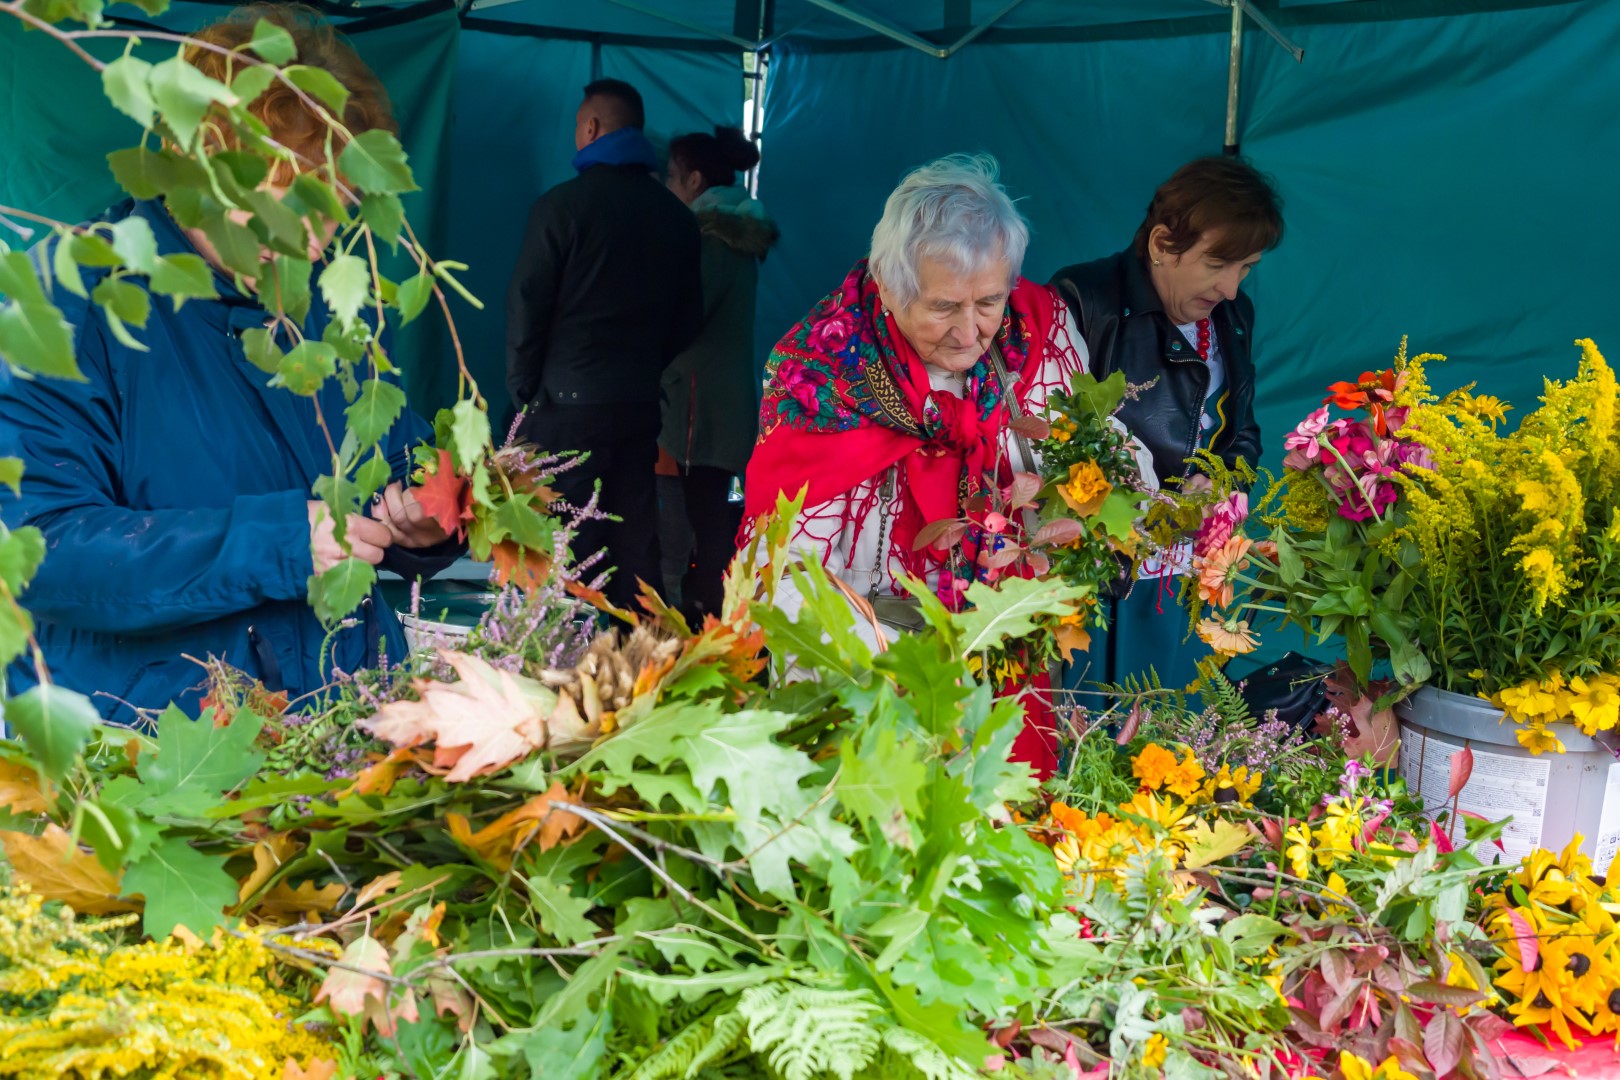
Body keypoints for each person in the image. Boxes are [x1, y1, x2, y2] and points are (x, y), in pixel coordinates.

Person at [0, 4, 459, 725]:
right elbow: (39, 551)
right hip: (160, 751)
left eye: (339, 205)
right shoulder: (68, 301)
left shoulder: (336, 309)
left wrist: (419, 525)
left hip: (344, 724)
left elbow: (381, 475)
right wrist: (277, 540)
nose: (321, 239)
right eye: (298, 204)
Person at [742, 154, 1093, 779]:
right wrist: (861, 670)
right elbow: (785, 558)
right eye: (943, 307)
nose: (969, 333)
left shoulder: (1038, 329)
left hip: (1002, 641)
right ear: (889, 281)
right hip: (868, 654)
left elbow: (1083, 465)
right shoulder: (819, 374)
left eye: (988, 301)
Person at [1048, 155, 1284, 689]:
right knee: (1092, 720)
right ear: (1160, 244)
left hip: (1187, 578)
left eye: (1246, 267)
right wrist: (1143, 511)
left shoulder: (1234, 316)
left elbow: (1243, 435)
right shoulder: (1083, 300)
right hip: (1103, 578)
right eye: (1218, 263)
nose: (1231, 287)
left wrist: (1220, 482)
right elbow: (1051, 443)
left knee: (1171, 739)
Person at [505, 79, 703, 609]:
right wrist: (644, 368)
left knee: (568, 541)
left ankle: (569, 671)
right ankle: (646, 669)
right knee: (636, 537)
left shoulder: (562, 207)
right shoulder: (678, 219)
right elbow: (690, 320)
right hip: (637, 403)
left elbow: (527, 305)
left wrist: (525, 391)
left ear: (591, 128)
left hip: (565, 405)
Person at [657, 125, 779, 622]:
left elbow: (684, 316)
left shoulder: (710, 240)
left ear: (694, 180)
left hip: (695, 406)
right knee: (714, 520)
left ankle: (701, 625)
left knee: (698, 523)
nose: (666, 187)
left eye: (671, 177)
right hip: (722, 402)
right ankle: (716, 619)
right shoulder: (737, 237)